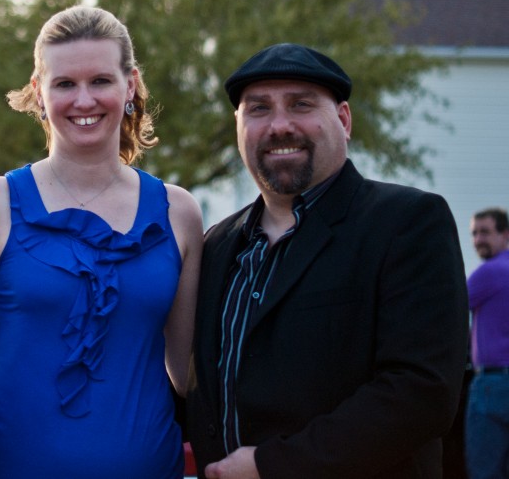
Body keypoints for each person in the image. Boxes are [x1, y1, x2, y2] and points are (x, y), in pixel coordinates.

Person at [188, 43, 469, 479]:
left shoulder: (407, 222)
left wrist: (269, 466)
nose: (279, 126)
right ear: (239, 127)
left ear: (343, 120)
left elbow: (422, 394)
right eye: (258, 109)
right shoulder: (216, 245)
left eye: (300, 105)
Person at [0, 5, 204, 478]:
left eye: (101, 81)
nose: (83, 100)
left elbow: (188, 375)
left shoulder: (179, 212)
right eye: (65, 83)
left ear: (129, 86)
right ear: (38, 93)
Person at [465, 207, 509, 479]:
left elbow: (446, 310)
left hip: (493, 385)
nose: (478, 239)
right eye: (474, 233)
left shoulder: (490, 272)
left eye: (485, 232)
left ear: (506, 235)